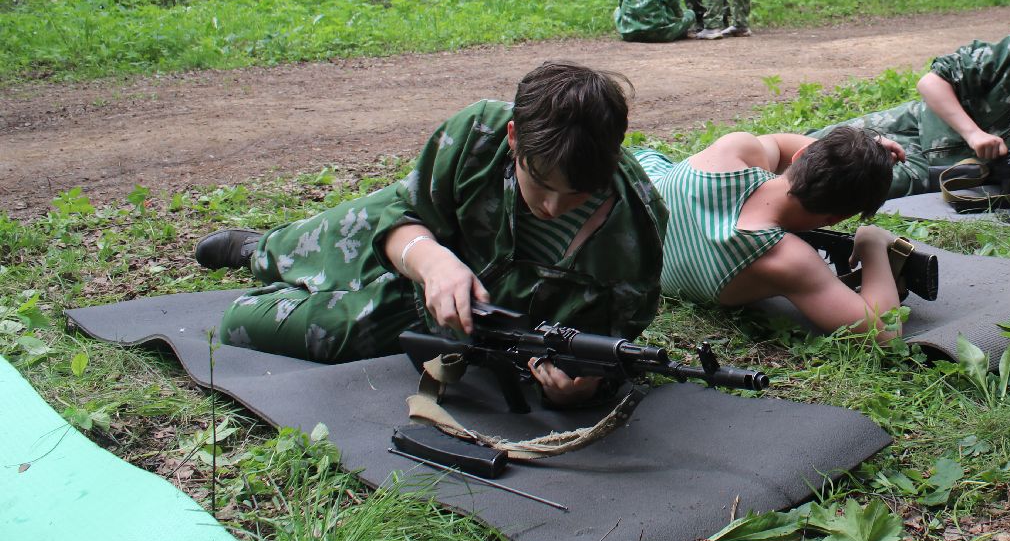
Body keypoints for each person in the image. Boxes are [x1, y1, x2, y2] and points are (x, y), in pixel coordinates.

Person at [193, 62, 667, 406]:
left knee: (241, 323)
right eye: (539, 185)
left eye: (578, 196)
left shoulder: (637, 227)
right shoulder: (477, 136)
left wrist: (579, 388)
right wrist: (435, 263)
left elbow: (613, 342)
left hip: (447, 322)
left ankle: (286, 282)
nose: (551, 208)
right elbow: (401, 218)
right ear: (513, 138)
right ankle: (259, 250)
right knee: (317, 240)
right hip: (423, 253)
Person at [634, 127, 910, 339]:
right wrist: (872, 243)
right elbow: (882, 332)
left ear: (800, 156)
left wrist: (857, 152)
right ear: (836, 219)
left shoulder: (733, 151)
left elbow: (779, 144)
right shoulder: (784, 259)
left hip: (637, 184)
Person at [820, 9, 1010, 205]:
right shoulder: (1005, 57)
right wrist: (973, 134)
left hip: (943, 168)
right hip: (921, 120)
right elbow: (930, 83)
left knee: (850, 179)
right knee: (825, 140)